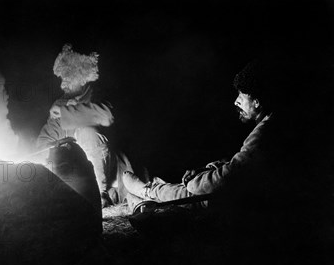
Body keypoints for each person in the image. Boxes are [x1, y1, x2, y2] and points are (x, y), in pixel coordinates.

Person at [122, 59, 300, 213]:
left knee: (193, 195)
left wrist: (193, 182)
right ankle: (154, 188)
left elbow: (228, 178)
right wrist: (207, 169)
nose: (236, 101)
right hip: (256, 195)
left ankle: (148, 191)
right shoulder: (276, 123)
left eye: (241, 96)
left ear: (257, 102)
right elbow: (243, 163)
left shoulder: (266, 132)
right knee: (202, 186)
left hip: (252, 205)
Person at [37, 44, 135, 208]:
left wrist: (66, 112)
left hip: (108, 167)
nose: (63, 84)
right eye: (62, 79)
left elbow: (106, 116)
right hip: (77, 171)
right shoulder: (60, 103)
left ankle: (100, 193)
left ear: (81, 77)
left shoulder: (97, 95)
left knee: (86, 132)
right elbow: (46, 138)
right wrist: (46, 152)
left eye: (68, 78)